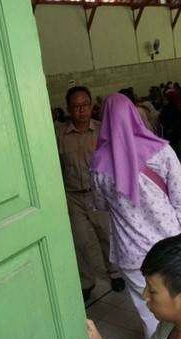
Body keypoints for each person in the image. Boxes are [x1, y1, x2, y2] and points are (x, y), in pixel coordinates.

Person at [90, 93, 181, 339]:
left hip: (131, 253)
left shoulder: (98, 162)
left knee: (148, 313)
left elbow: (99, 204)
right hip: (170, 247)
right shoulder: (161, 151)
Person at [55, 86, 125, 301]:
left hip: (99, 195)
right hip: (73, 196)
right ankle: (87, 281)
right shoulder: (59, 135)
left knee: (106, 235)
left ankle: (114, 273)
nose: (81, 111)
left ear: (91, 106)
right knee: (82, 240)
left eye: (85, 105)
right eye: (75, 107)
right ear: (69, 109)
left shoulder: (103, 130)